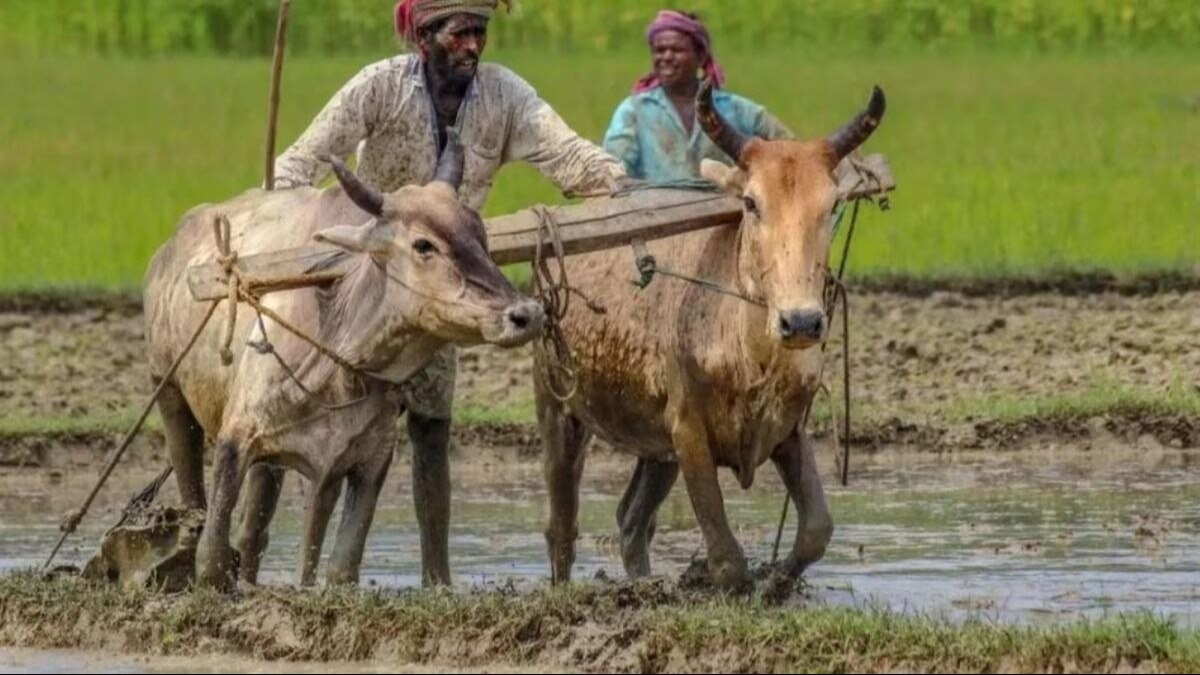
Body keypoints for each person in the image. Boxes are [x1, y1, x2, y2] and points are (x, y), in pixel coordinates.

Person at [271, 0, 627, 587]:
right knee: (332, 425)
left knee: (432, 433)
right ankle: (289, 562)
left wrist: (620, 186)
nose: (473, 46)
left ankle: (436, 578)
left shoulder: (504, 96)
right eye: (460, 34)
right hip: (366, 290)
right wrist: (277, 218)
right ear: (425, 36)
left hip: (442, 291)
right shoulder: (380, 87)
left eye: (480, 33)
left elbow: (566, 153)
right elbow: (302, 163)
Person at [603, 10, 792, 183]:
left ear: (701, 56)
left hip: (726, 207)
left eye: (677, 50)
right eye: (659, 50)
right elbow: (612, 172)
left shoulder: (737, 109)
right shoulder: (634, 111)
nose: (666, 57)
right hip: (656, 208)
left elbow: (790, 149)